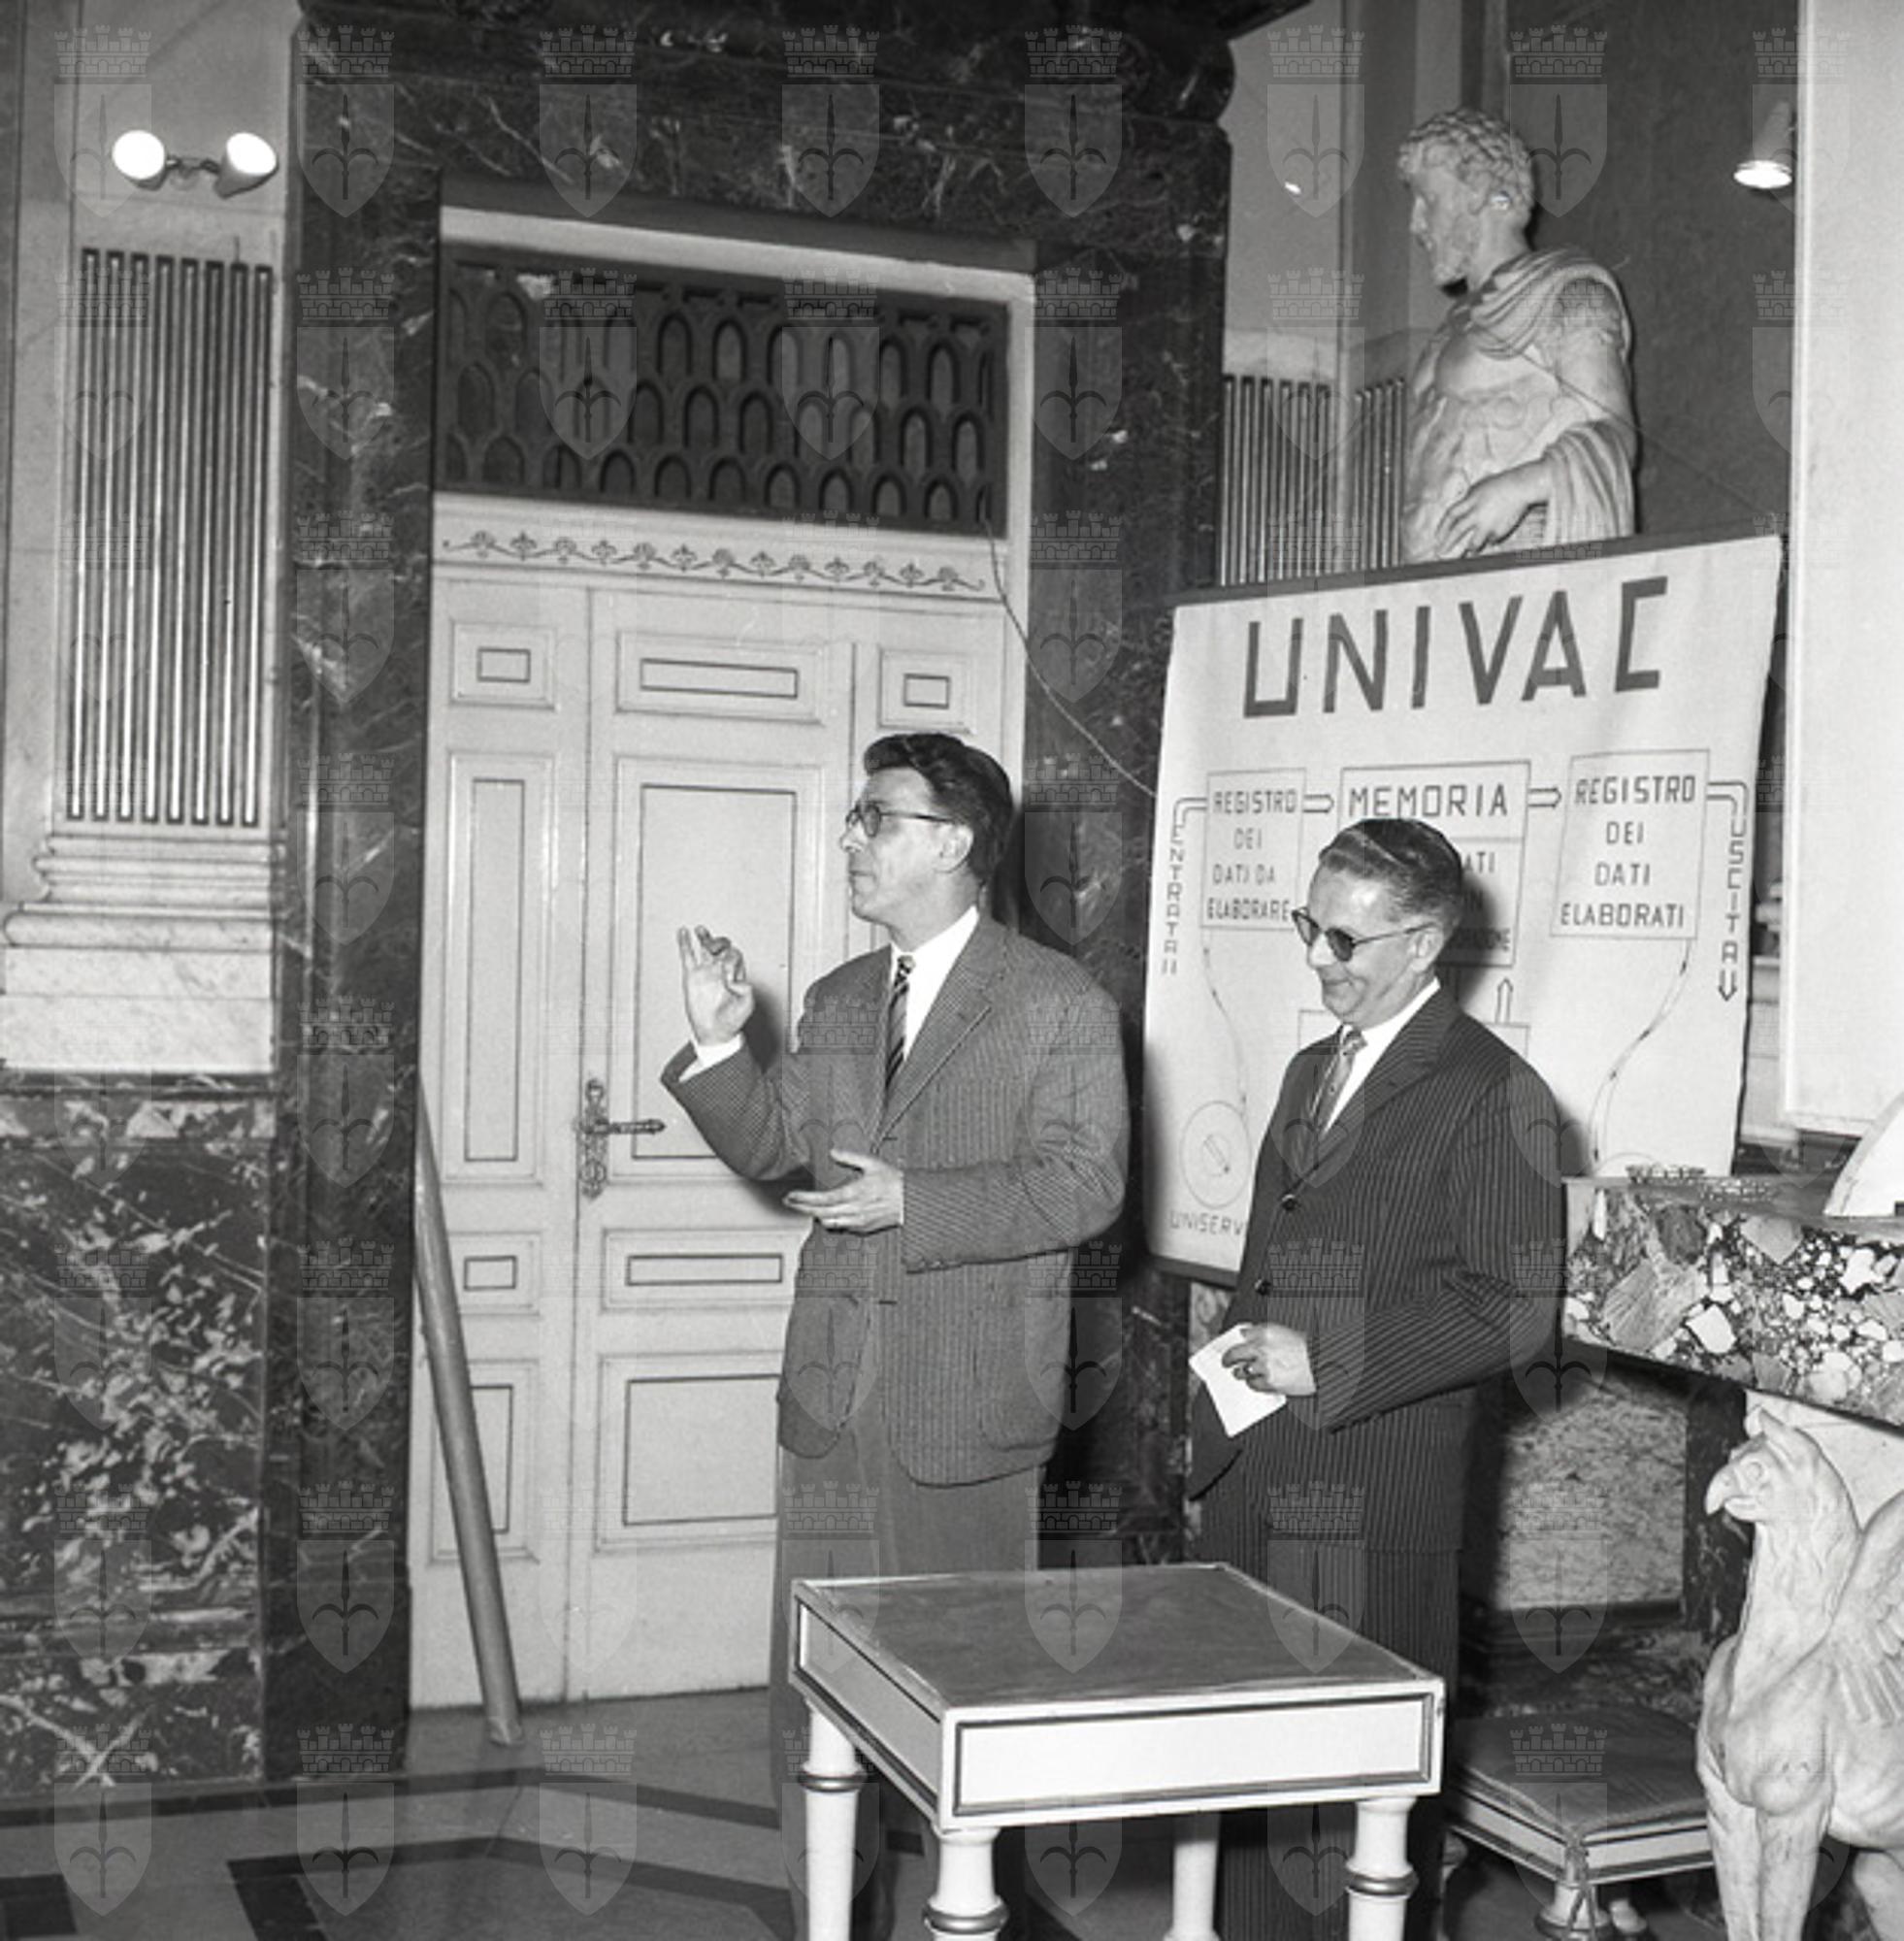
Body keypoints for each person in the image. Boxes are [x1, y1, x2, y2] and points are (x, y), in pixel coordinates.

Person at [666, 731, 1128, 1940]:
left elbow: (1086, 1185)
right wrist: (718, 1040)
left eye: (876, 816)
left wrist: (916, 1200)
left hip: (965, 1405)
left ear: (953, 841)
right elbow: (776, 1145)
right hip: (831, 1400)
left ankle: (967, 1916)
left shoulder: (1058, 1002)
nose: (852, 837)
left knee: (958, 1695)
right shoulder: (835, 998)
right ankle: (827, 1918)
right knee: (810, 1701)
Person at [1189, 818, 1562, 1941]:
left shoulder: (1497, 1091)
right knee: (1250, 1796)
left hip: (1374, 1499)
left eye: (1346, 939)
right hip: (1254, 1475)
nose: (1319, 956)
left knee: (1353, 1829)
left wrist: (1331, 1358)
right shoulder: (1312, 1068)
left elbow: (1517, 1305)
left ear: (1426, 942)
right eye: (1311, 925)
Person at [1396, 106, 1636, 563]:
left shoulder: (1567, 292)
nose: (1416, 223)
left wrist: (1519, 488)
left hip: (1526, 570)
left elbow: (1613, 435)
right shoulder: (1448, 330)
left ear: (1486, 194)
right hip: (1434, 577)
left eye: (1429, 200)